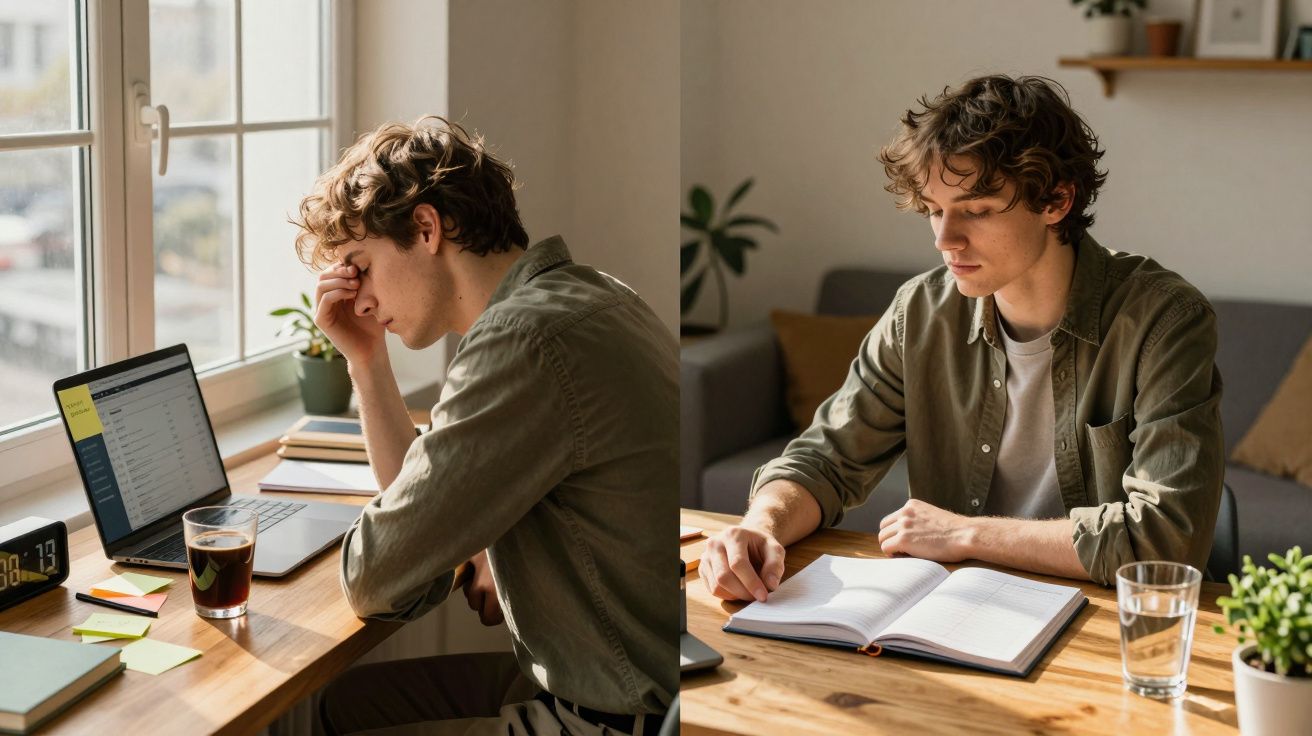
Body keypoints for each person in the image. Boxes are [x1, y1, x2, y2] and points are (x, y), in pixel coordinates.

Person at [701, 75, 1224, 602]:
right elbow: (825, 460)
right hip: (950, 612)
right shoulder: (920, 312)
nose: (944, 239)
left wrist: (965, 534)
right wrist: (762, 525)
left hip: (1096, 617)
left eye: (976, 210)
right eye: (933, 209)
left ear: (1056, 201)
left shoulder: (1164, 319)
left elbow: (1165, 540)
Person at [296, 117, 677, 735]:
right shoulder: (594, 294)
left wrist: (457, 542)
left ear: (425, 228)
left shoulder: (522, 341)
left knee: (345, 717)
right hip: (629, 679)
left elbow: (375, 573)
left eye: (360, 266)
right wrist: (366, 363)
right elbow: (420, 520)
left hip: (611, 716)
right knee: (352, 706)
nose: (357, 299)